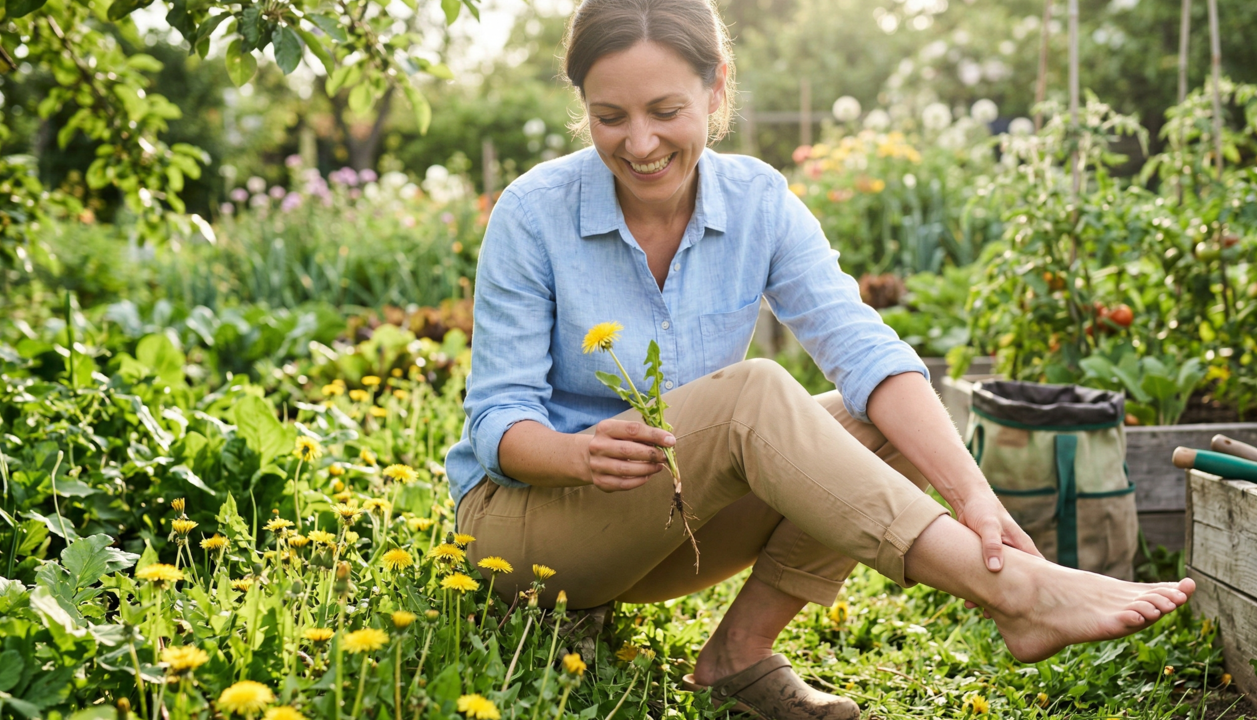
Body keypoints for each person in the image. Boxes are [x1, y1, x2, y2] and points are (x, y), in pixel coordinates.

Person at [442, 0, 1195, 716]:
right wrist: (577, 456)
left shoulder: (757, 201)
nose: (639, 144)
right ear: (584, 108)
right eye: (610, 117)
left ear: (716, 88)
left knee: (885, 413)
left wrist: (974, 497)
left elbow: (865, 349)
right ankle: (1016, 594)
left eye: (665, 112)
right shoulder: (534, 214)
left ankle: (737, 654)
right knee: (752, 396)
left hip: (667, 530)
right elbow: (496, 417)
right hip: (526, 533)